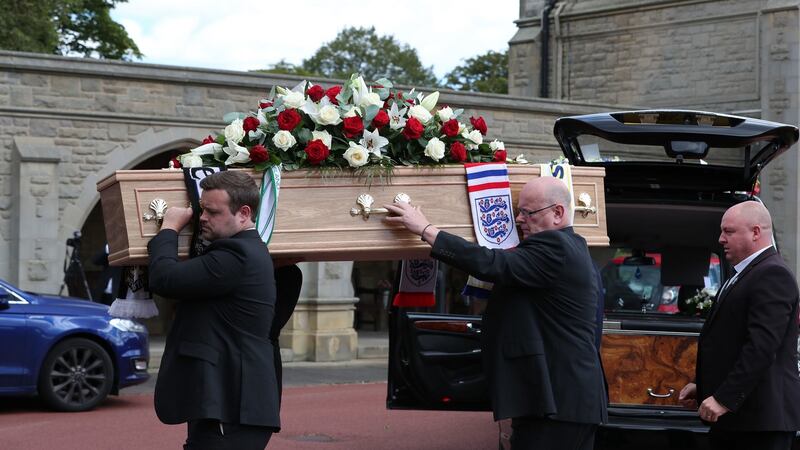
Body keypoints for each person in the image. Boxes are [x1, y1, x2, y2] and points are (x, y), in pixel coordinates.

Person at [384, 176, 607, 450]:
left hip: (558, 402)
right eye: (518, 210)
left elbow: (493, 262)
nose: (518, 219)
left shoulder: (555, 248)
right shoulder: (572, 248)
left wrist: (426, 229)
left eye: (527, 212)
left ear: (557, 213)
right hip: (565, 401)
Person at [147, 170, 280, 450]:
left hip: (231, 407)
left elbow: (164, 279)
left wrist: (169, 228)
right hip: (229, 403)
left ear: (244, 213)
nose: (202, 218)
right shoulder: (249, 251)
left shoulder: (236, 256)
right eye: (201, 209)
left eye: (212, 212)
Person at [678, 201, 800, 450]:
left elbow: (761, 348)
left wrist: (723, 398)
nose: (721, 239)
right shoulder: (744, 274)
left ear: (756, 232)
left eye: (729, 231)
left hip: (760, 424)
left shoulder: (772, 275)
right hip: (742, 420)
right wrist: (704, 388)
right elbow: (731, 343)